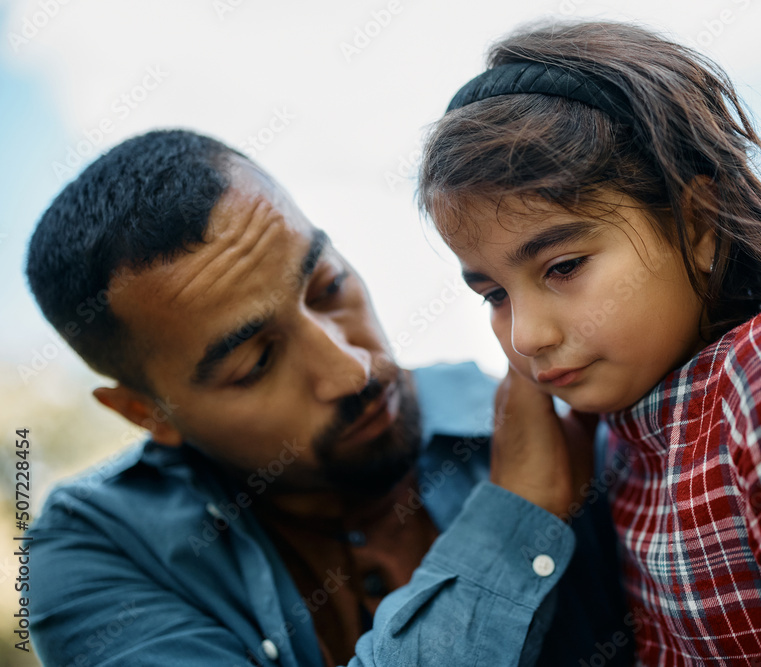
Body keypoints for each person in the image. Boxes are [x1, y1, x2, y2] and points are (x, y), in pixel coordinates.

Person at [418, 21, 761, 665]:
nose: (526, 335)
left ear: (696, 226)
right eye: (494, 294)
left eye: (565, 266)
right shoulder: (616, 447)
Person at [23, 129, 635, 666]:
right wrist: (516, 520)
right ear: (147, 413)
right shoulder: (94, 552)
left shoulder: (569, 413)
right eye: (255, 362)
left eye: (328, 287)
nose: (351, 370)